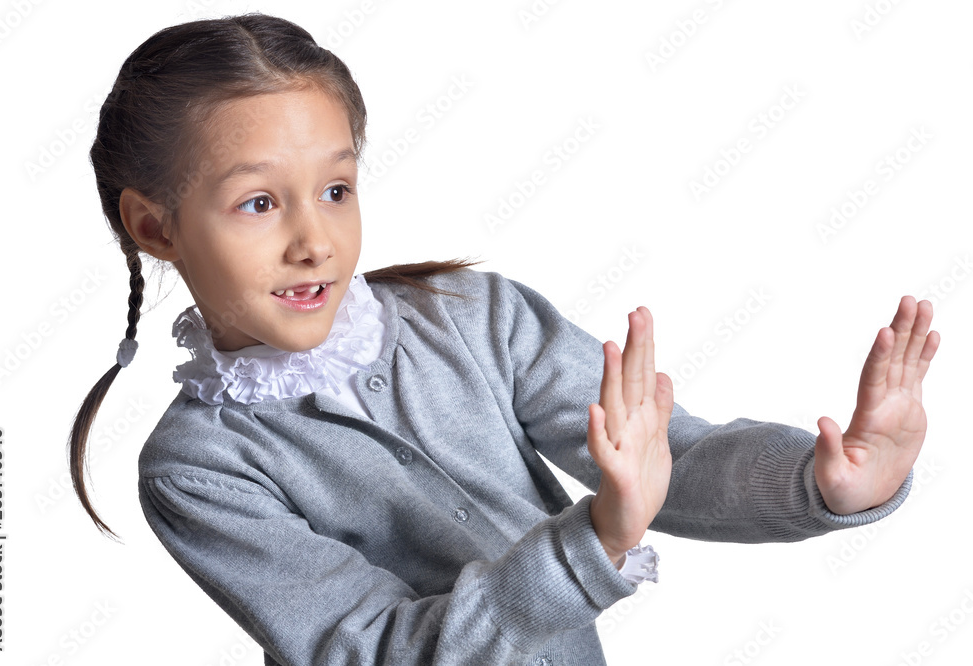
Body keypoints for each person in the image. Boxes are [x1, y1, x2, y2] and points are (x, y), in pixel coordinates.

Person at [67, 12, 940, 666]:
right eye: (259, 203)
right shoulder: (198, 469)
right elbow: (371, 649)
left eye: (336, 189)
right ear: (156, 226)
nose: (315, 240)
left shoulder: (473, 316)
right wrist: (592, 541)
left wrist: (824, 482)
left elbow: (665, 462)